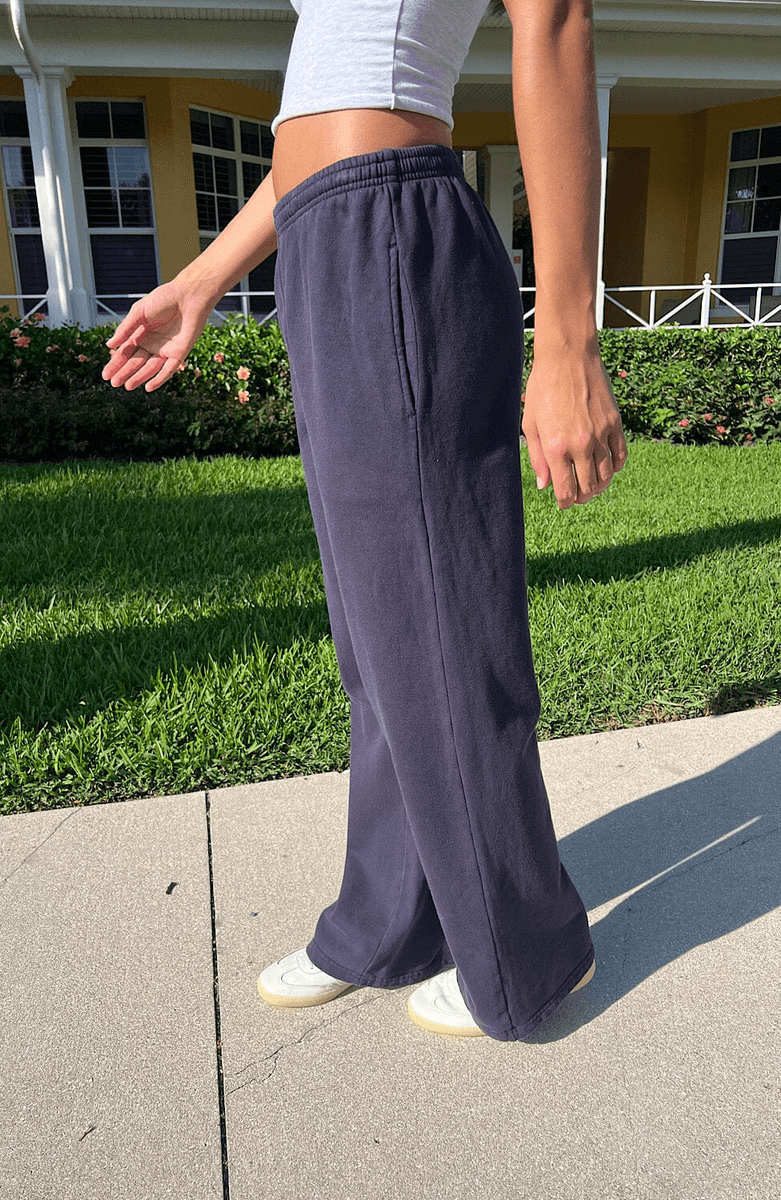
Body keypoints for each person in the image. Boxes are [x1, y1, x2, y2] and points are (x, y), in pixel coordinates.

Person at [102, 0, 627, 1041]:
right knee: (380, 631)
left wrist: (569, 339)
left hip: (388, 224)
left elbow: (557, 17)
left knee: (438, 624)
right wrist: (203, 281)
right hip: (324, 233)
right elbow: (326, 97)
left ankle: (527, 952)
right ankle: (389, 921)